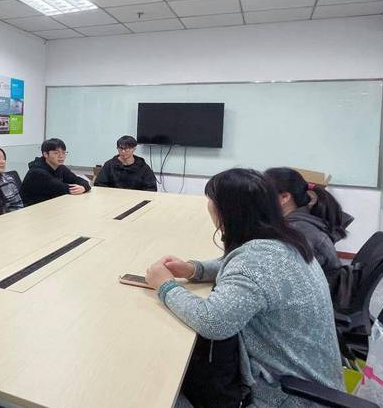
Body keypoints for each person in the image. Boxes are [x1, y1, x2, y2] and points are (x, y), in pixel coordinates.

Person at [146, 168, 343, 407]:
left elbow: (213, 322)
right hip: (311, 381)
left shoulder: (258, 260)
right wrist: (193, 269)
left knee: (159, 391)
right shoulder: (284, 239)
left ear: (227, 212)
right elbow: (240, 268)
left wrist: (165, 286)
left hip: (287, 397)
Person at [264, 167, 353, 280]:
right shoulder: (305, 218)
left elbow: (282, 277)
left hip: (321, 289)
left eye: (263, 194)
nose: (259, 200)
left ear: (284, 197)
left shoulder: (297, 232)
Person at [20, 138, 91, 206]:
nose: (61, 156)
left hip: (50, 204)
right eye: (56, 153)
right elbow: (64, 189)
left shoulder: (60, 167)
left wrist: (84, 187)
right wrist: (83, 187)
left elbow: (77, 180)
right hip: (31, 209)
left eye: (64, 153)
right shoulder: (37, 172)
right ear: (46, 154)